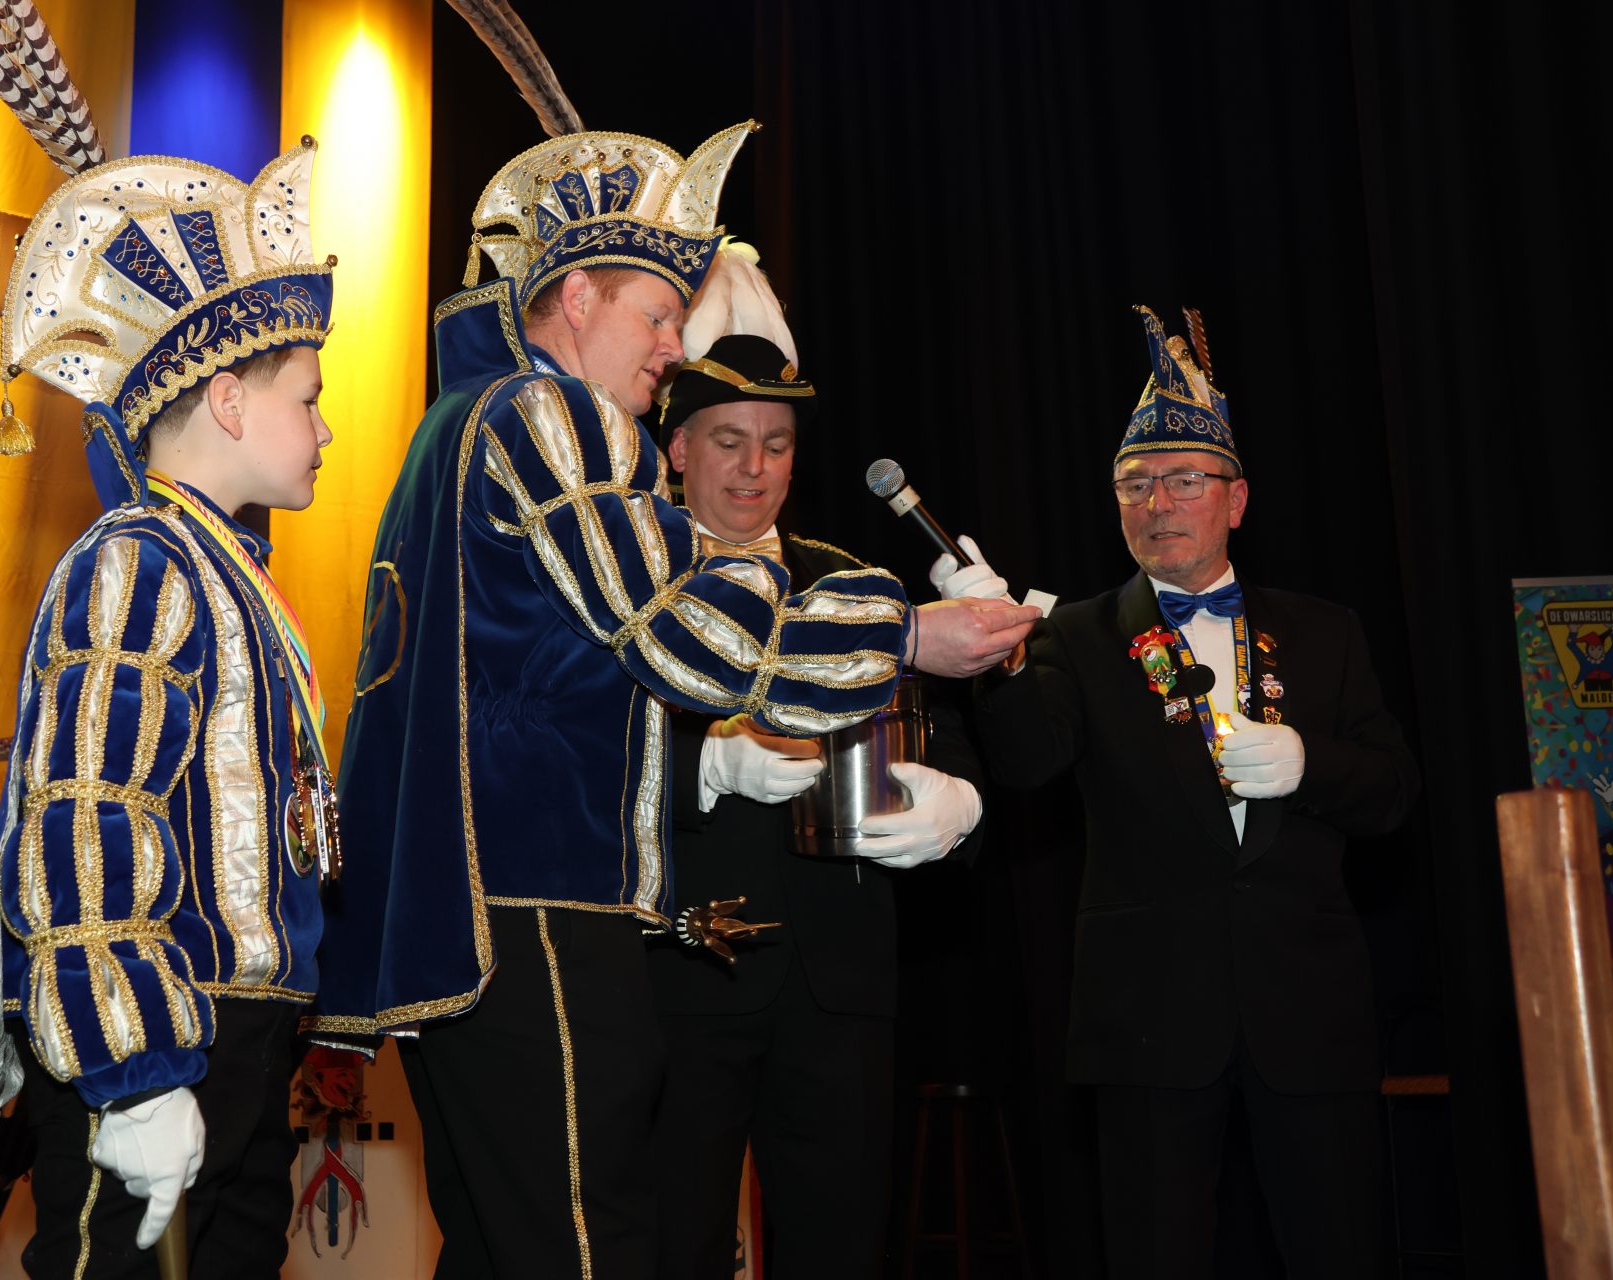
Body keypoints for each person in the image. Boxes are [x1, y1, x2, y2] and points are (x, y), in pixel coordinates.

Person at [307, 124, 1029, 1278]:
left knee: (504, 1246)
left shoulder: (459, 420)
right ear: (576, 296)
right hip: (542, 904)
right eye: (656, 315)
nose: (671, 346)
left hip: (465, 915)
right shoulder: (549, 415)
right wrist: (908, 631)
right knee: (588, 1245)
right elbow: (676, 628)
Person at [0, 142, 340, 1280]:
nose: (324, 429)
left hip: (245, 1038)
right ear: (228, 399)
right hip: (165, 1033)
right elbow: (88, 820)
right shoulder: (138, 562)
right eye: (308, 399)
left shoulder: (228, 572)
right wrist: (135, 1074)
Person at [944, 306, 1419, 1279]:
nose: (1158, 502)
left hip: (1308, 1010)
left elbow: (1394, 793)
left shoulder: (1324, 631)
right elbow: (1028, 760)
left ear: (1236, 499)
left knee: (1341, 1251)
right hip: (1150, 1016)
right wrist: (1000, 655)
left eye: (1184, 480)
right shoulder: (1076, 634)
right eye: (1136, 484)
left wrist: (1308, 762)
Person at [643, 244, 986, 1279]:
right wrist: (705, 765)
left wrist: (959, 806)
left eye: (778, 444)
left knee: (839, 1249)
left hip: (840, 983)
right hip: (680, 977)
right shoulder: (633, 581)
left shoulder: (854, 585)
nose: (755, 468)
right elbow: (572, 754)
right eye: (729, 440)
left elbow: (943, 736)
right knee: (667, 1247)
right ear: (676, 449)